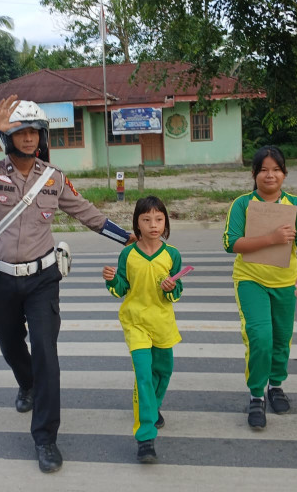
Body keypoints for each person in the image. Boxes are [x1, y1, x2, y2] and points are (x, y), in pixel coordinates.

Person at [0, 95, 135, 474]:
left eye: (34, 131)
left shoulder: (53, 178)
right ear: (9, 137)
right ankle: (26, 382)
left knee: (46, 351)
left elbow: (88, 213)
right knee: (8, 338)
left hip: (42, 278)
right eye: (21, 131)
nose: (29, 138)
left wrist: (129, 240)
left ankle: (45, 437)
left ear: (42, 136)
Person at [222, 145, 297, 430]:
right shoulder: (242, 205)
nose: (270, 175)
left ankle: (276, 386)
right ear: (254, 174)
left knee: (282, 337)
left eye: (276, 169)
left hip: (285, 282)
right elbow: (231, 243)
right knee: (260, 336)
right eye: (264, 170)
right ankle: (256, 396)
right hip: (250, 280)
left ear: (284, 174)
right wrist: (272, 237)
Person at [102, 195, 183, 463]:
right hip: (135, 322)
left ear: (165, 222)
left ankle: (152, 405)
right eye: (146, 219)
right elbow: (121, 289)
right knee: (144, 377)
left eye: (158, 219)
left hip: (162, 323)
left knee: (164, 371)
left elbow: (177, 292)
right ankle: (145, 437)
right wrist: (112, 280)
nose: (153, 224)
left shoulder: (172, 255)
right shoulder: (128, 254)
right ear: (137, 224)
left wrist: (172, 289)